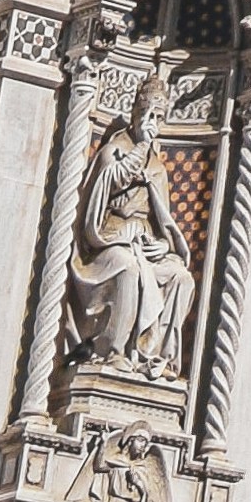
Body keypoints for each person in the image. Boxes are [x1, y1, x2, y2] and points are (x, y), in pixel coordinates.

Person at [64, 78, 196, 381]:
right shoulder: (114, 151)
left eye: (160, 118)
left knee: (181, 277)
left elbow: (164, 222)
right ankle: (115, 352)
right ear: (136, 113)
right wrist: (143, 146)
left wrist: (164, 246)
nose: (153, 123)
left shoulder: (158, 168)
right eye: (149, 114)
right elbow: (117, 179)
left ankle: (158, 358)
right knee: (128, 268)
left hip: (144, 244)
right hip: (107, 241)